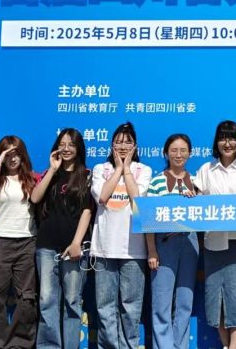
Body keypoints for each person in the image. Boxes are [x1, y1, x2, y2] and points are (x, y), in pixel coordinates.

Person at [193, 120, 236, 349]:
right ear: (216, 142)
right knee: (217, 298)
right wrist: (193, 198)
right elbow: (197, 201)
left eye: (232, 138)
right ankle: (225, 345)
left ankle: (234, 347)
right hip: (214, 243)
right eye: (223, 138)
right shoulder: (206, 169)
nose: (227, 143)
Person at [90, 122, 152, 349]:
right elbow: (102, 197)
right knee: (105, 306)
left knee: (131, 305)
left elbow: (138, 201)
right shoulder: (100, 169)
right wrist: (117, 169)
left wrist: (126, 169)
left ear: (135, 145)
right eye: (118, 142)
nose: (123, 146)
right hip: (104, 247)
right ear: (111, 145)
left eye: (128, 142)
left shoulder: (143, 170)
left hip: (133, 249)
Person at [31, 128, 93, 349]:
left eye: (71, 144)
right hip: (47, 246)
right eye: (62, 144)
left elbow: (87, 211)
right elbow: (35, 198)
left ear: (78, 148)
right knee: (47, 300)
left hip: (74, 248)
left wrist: (76, 243)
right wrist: (52, 169)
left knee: (72, 301)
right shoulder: (50, 174)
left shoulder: (86, 175)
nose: (66, 149)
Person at [0, 135, 39, 349]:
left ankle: (20, 344)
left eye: (17, 154)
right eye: (8, 154)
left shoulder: (32, 179)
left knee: (26, 298)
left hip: (26, 242)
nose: (13, 158)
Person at [145, 133, 199, 349]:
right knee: (162, 302)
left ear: (190, 153)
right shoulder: (157, 182)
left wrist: (197, 198)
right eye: (174, 150)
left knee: (185, 301)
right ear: (166, 153)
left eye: (183, 150)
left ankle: (180, 345)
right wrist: (152, 250)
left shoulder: (197, 181)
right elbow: (147, 219)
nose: (178, 154)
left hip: (190, 243)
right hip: (164, 243)